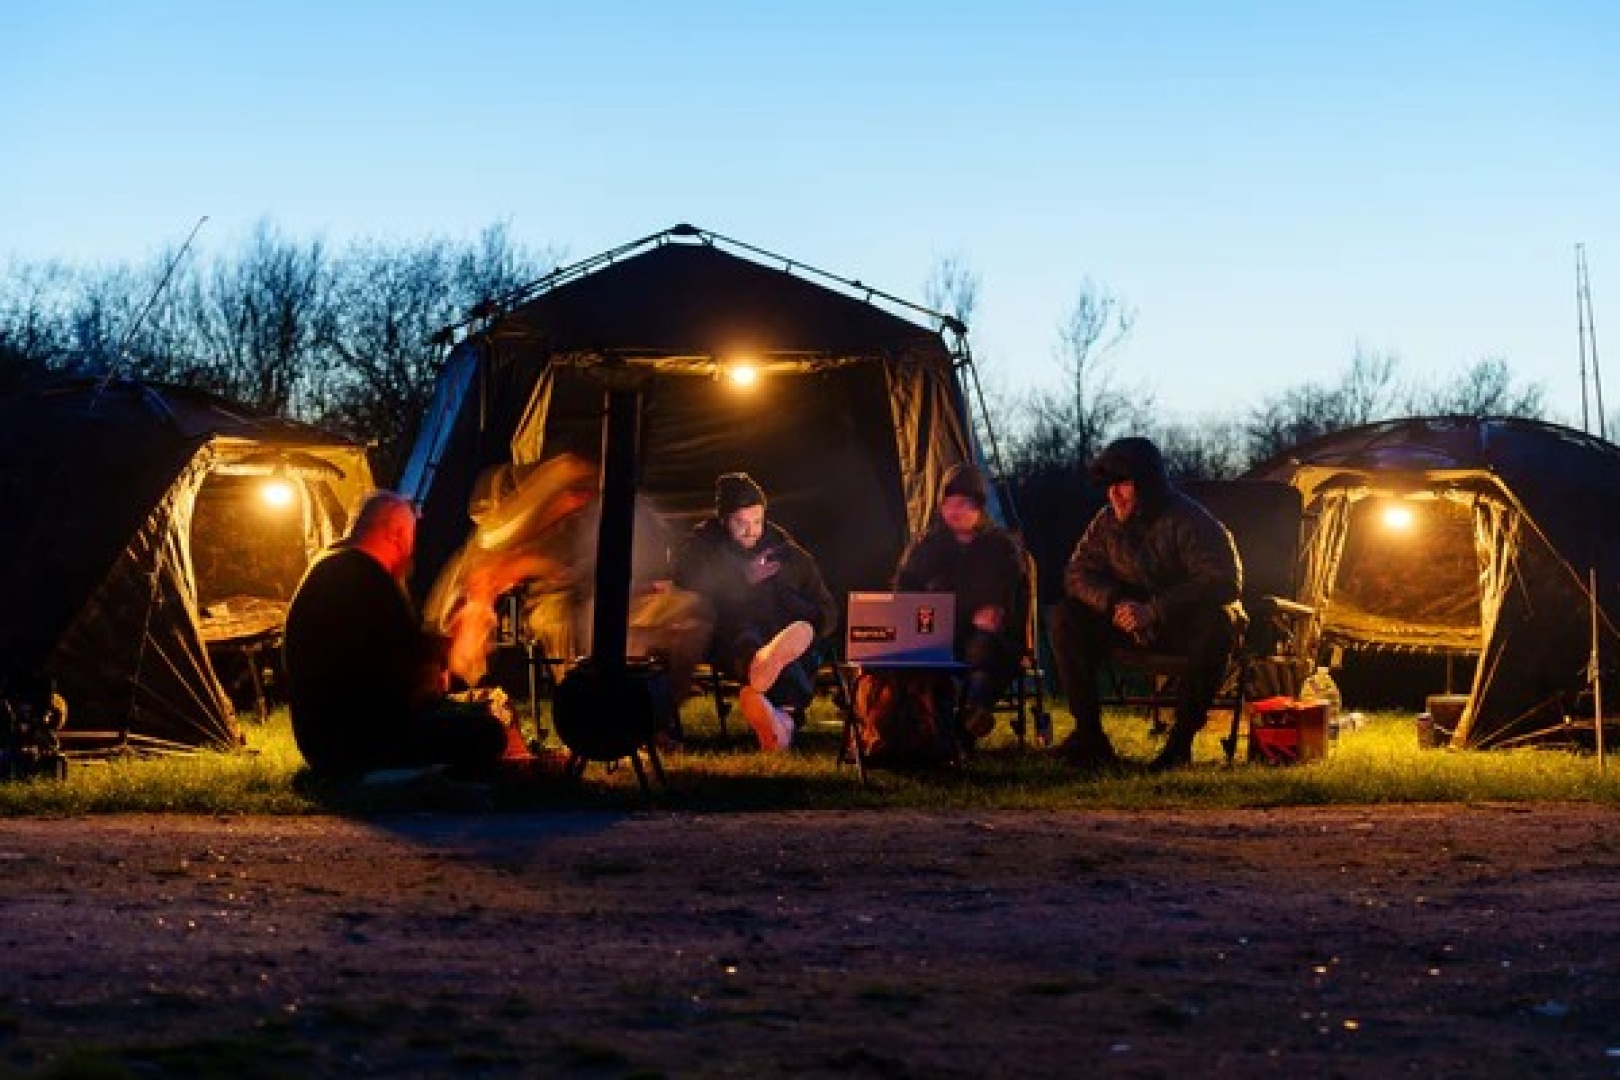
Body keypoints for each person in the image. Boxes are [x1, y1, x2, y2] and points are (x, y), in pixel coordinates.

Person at [284, 491, 513, 780]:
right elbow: (408, 675)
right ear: (395, 533)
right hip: (352, 745)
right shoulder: (363, 576)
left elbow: (391, 651)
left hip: (330, 738)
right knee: (487, 732)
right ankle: (401, 777)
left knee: (470, 716)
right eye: (410, 537)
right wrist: (456, 642)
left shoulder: (339, 565)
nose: (411, 550)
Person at [1046, 437, 1243, 771]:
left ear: (1146, 484)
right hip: (1126, 621)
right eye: (1110, 486)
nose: (1115, 494)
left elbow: (1223, 581)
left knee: (1218, 623)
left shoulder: (1189, 520)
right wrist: (1114, 603)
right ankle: (1089, 737)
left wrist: (1156, 609)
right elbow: (1077, 573)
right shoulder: (1106, 523)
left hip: (1182, 624)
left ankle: (1179, 745)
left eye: (1123, 484)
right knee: (1065, 616)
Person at [671, 472, 837, 751]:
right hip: (731, 632)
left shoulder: (785, 551)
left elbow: (826, 605)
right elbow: (687, 578)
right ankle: (783, 711)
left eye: (757, 521)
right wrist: (741, 578)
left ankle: (776, 706)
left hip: (786, 630)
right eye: (741, 523)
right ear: (724, 520)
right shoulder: (702, 546)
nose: (751, 531)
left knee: (797, 641)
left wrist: (814, 620)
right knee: (744, 637)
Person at [894, 463, 1026, 746]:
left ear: (979, 507)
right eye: (949, 503)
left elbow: (1004, 599)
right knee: (927, 652)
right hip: (933, 632)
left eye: (964, 503)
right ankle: (935, 722)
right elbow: (903, 591)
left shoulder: (1000, 548)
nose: (955, 511)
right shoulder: (926, 546)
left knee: (981, 649)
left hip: (988, 638)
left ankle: (971, 713)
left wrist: (991, 612)